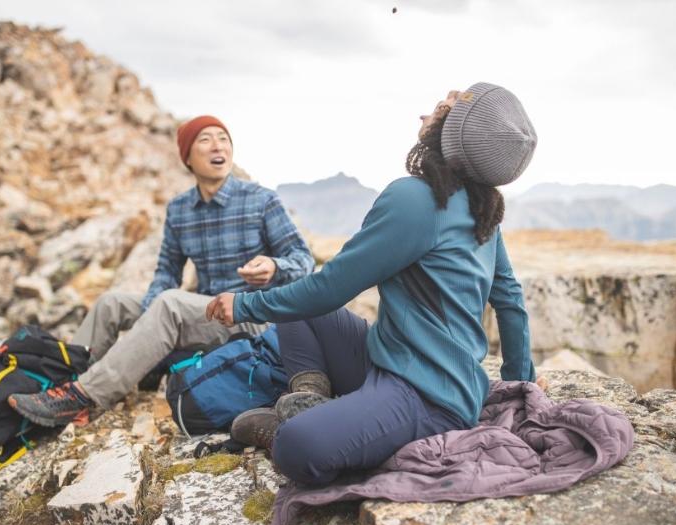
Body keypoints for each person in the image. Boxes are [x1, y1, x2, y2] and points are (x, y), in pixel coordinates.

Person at [206, 83, 540, 487]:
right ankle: (310, 394)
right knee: (302, 313)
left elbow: (332, 286)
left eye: (437, 111)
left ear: (453, 137)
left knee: (298, 446)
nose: (423, 117)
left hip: (428, 397)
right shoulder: (481, 206)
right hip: (392, 361)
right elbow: (510, 300)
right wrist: (522, 386)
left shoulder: (417, 199)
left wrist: (243, 306)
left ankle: (297, 425)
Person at [8, 115, 315, 426]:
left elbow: (303, 260)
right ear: (187, 158)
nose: (217, 146)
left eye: (223, 139)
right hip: (206, 313)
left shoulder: (261, 200)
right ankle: (60, 384)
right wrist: (148, 313)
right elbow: (167, 269)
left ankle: (83, 397)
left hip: (250, 316)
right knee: (111, 304)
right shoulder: (180, 209)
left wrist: (275, 266)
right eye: (205, 140)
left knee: (170, 304)